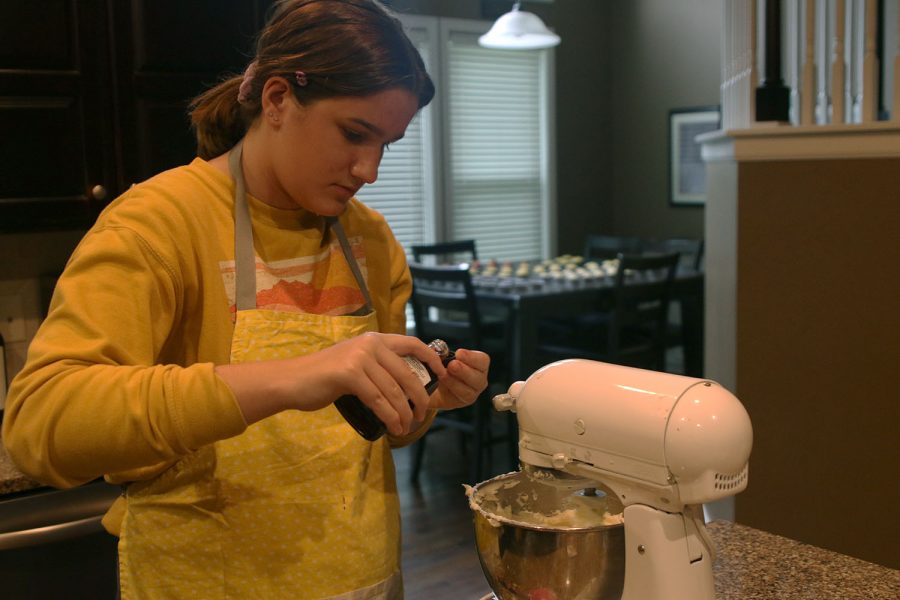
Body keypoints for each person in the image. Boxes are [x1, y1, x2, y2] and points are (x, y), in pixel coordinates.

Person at [2, 1, 490, 598]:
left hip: (364, 578)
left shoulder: (370, 240)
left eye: (386, 144)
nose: (369, 169)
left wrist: (423, 400)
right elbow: (42, 426)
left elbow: (374, 439)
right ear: (278, 99)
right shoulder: (158, 226)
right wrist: (290, 376)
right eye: (355, 134)